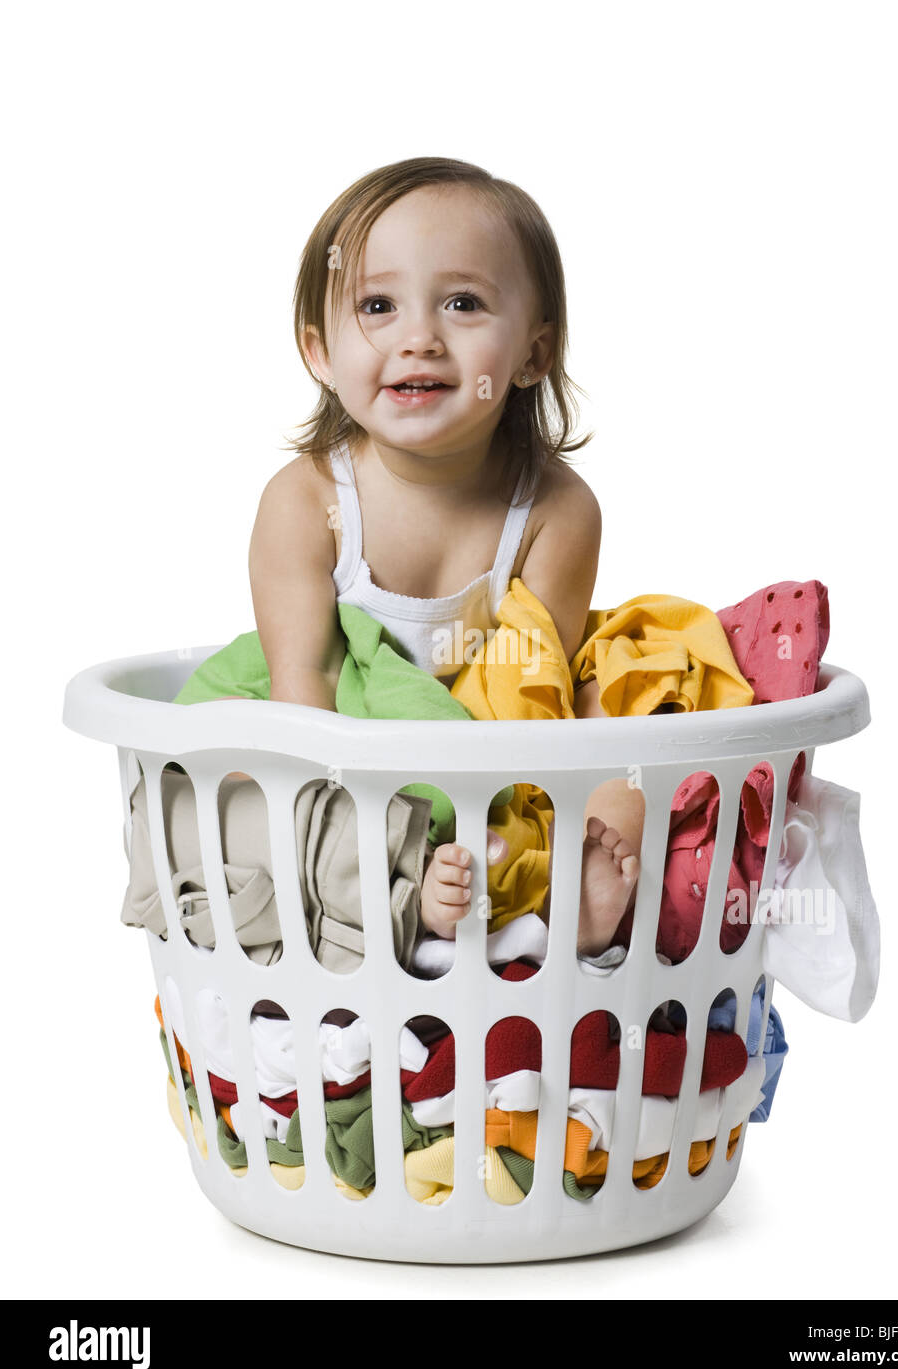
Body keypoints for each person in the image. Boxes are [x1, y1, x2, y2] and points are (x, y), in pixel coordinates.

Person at [249, 157, 643, 955]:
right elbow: (304, 696)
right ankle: (408, 907)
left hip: (496, 748)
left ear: (533, 352)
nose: (419, 339)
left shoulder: (556, 511)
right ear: (319, 351)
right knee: (247, 792)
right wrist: (397, 831)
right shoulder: (306, 501)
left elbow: (530, 695)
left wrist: (487, 812)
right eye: (377, 306)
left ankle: (565, 905)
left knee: (624, 717)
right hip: (352, 753)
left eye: (463, 303)